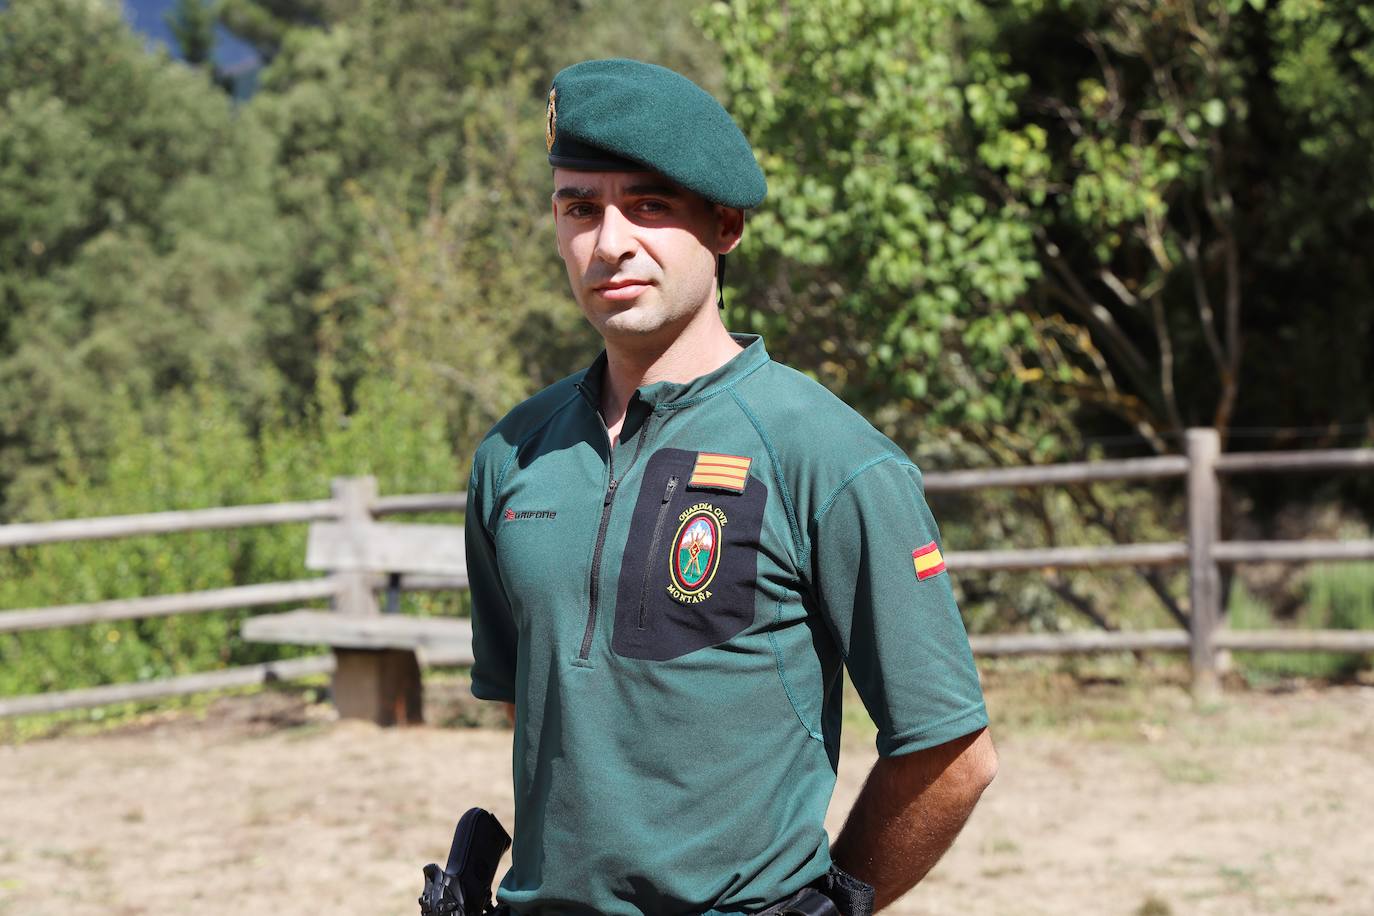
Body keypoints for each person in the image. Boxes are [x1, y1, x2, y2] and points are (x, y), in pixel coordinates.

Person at [465, 58, 997, 915]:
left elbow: (953, 755)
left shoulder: (828, 455)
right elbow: (537, 714)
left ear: (724, 225)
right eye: (579, 208)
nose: (608, 243)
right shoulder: (514, 455)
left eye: (649, 206)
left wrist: (834, 903)